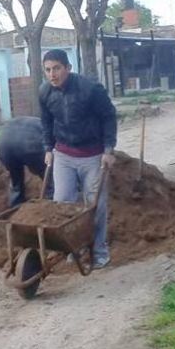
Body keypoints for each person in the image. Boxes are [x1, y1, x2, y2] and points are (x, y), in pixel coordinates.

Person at [39, 49, 117, 269]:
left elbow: (109, 117)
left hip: (93, 156)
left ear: (68, 68)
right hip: (63, 155)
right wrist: (48, 148)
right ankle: (73, 247)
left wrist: (109, 149)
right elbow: (46, 122)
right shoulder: (45, 92)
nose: (52, 74)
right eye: (47, 70)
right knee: (62, 203)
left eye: (56, 68)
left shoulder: (90, 89)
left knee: (95, 205)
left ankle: (100, 251)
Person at [0, 116, 51, 207]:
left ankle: (16, 207)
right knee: (48, 176)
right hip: (29, 142)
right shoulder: (49, 126)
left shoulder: (37, 122)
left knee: (16, 178)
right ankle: (52, 203)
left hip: (2, 141)